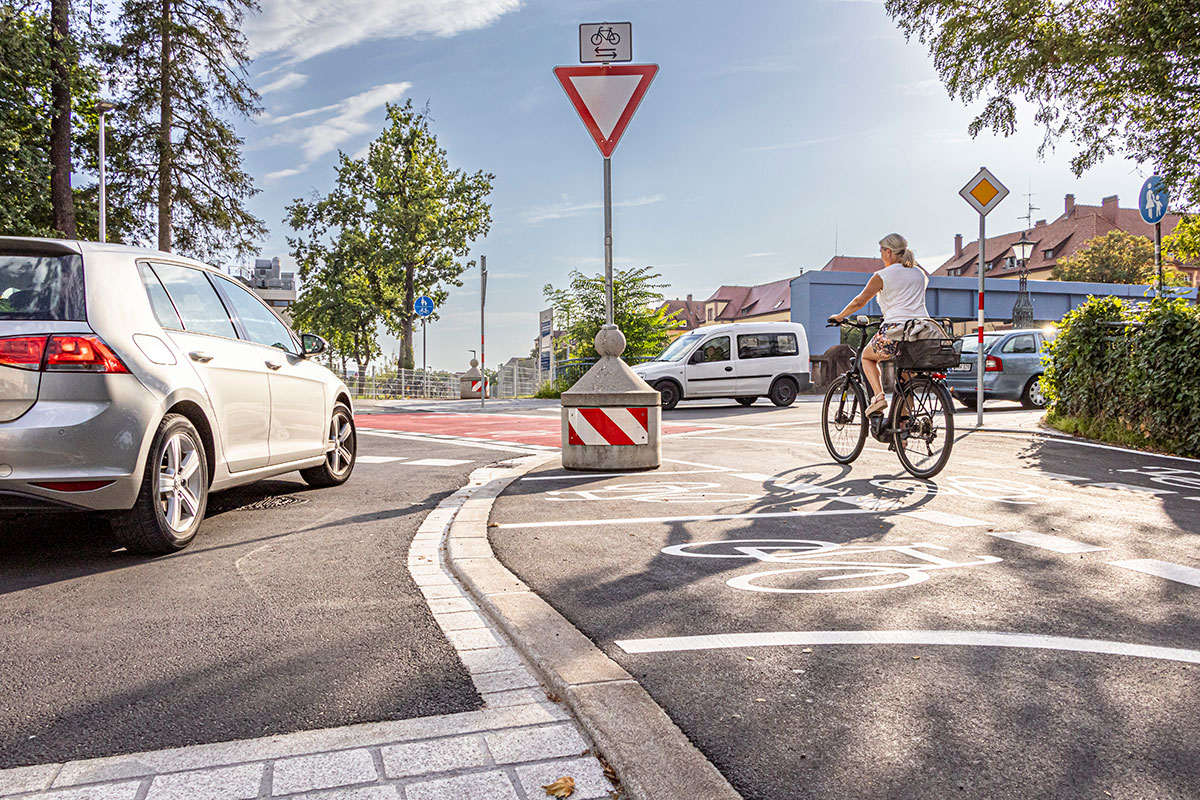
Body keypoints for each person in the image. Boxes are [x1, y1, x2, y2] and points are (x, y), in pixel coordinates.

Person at [828, 233, 938, 417]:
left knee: (867, 357)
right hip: (921, 331)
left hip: (896, 330)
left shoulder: (882, 275)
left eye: (881, 251)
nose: (880, 256)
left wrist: (839, 317)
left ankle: (878, 397)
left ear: (889, 252)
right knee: (906, 380)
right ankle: (903, 429)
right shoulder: (920, 274)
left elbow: (859, 302)